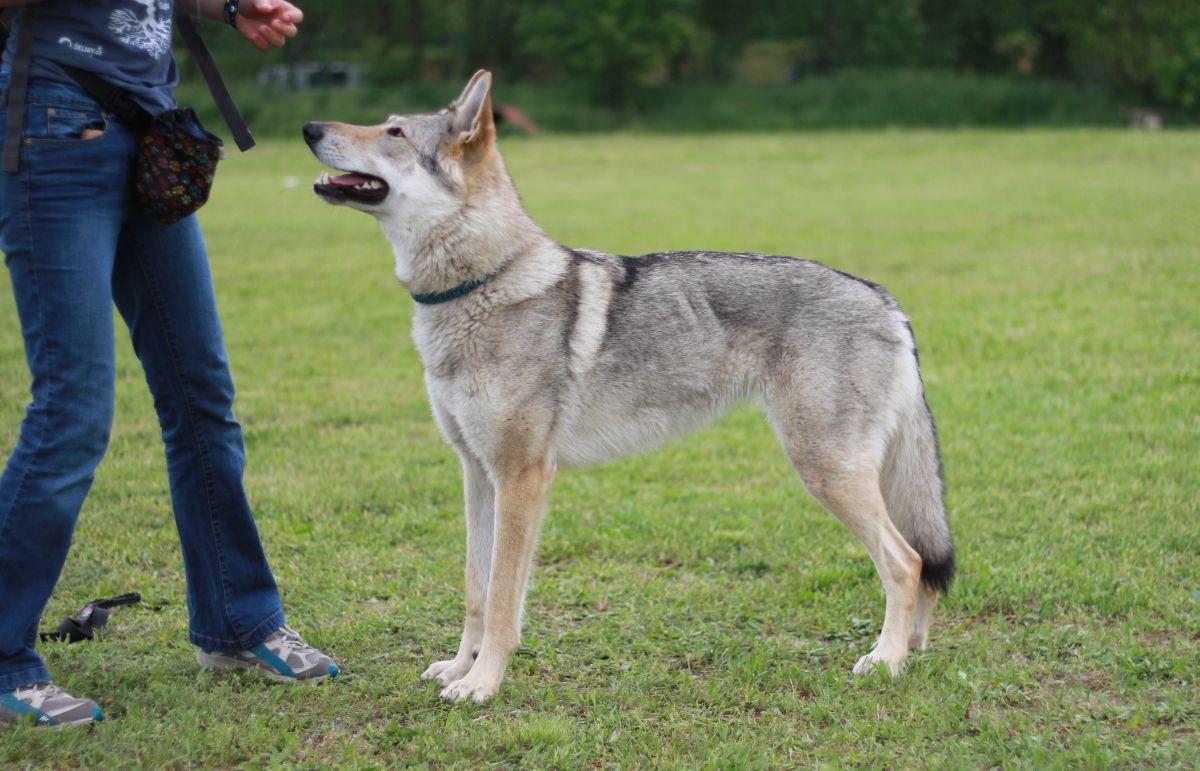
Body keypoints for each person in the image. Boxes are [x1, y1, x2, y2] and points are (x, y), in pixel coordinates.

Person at [0, 0, 337, 728]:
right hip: (56, 123)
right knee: (73, 413)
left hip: (148, 126)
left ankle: (237, 623)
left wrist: (226, 7)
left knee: (201, 396)